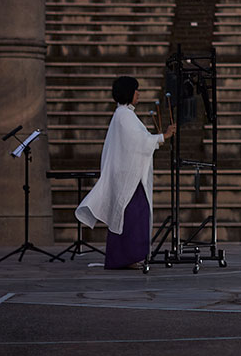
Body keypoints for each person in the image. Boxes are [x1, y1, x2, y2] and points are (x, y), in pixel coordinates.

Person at [75, 76, 176, 269]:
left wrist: (159, 137)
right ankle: (125, 258)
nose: (139, 93)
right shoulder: (124, 115)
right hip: (128, 177)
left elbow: (140, 140)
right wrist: (164, 136)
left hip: (129, 175)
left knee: (129, 215)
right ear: (129, 92)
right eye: (136, 90)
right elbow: (138, 142)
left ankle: (125, 257)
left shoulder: (124, 114)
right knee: (133, 215)